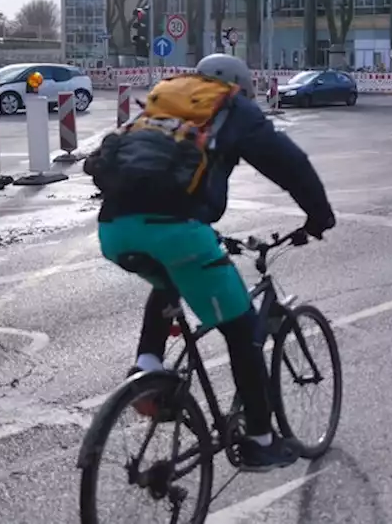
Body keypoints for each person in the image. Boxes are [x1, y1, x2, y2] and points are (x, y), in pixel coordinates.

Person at [90, 53, 336, 471]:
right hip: (178, 229)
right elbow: (287, 162)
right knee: (241, 331)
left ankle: (147, 368)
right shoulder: (231, 106)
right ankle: (259, 440)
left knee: (167, 278)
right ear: (238, 85)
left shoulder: (166, 97)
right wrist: (318, 215)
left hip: (114, 228)